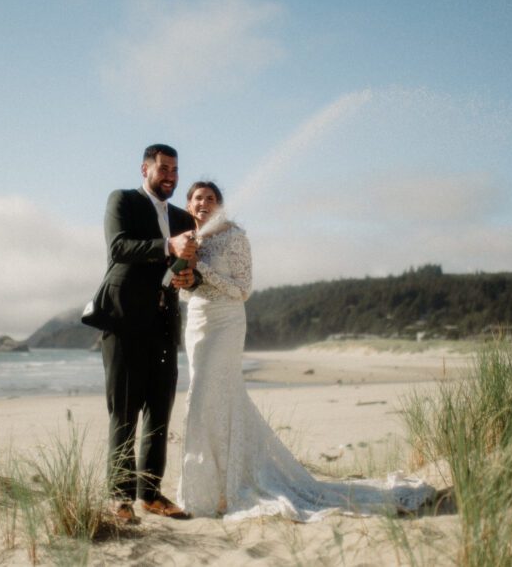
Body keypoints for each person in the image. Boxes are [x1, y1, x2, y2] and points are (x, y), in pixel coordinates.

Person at [176, 181, 435, 521]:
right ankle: (209, 487)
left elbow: (243, 289)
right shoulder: (188, 240)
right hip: (196, 322)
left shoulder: (235, 236)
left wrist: (202, 269)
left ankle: (230, 484)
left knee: (209, 393)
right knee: (203, 396)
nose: (203, 204)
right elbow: (185, 292)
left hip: (226, 323)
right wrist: (185, 274)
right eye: (197, 198)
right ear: (189, 204)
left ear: (220, 205)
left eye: (210, 198)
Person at [82, 144, 198, 523]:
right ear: (145, 169)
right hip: (124, 321)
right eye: (163, 169)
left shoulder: (183, 216)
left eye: (175, 171)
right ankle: (119, 498)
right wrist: (166, 244)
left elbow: (190, 271)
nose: (170, 177)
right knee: (125, 411)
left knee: (160, 412)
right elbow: (118, 247)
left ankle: (150, 494)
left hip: (165, 325)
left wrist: (188, 276)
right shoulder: (123, 201)